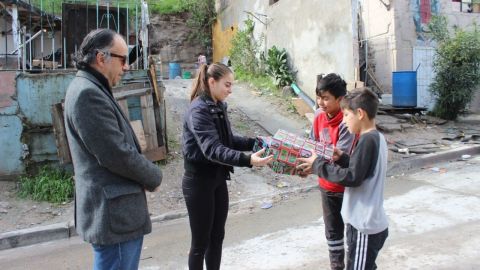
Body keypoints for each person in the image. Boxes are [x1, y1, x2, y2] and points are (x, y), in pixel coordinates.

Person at [64, 28, 162, 270]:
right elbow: (116, 154)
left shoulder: (90, 87)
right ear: (101, 58)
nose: (126, 67)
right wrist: (154, 176)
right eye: (123, 59)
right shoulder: (87, 93)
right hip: (113, 217)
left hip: (115, 214)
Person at [182, 63, 273, 270]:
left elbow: (227, 139)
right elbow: (212, 149)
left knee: (217, 236)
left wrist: (255, 142)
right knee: (200, 243)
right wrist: (248, 159)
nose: (230, 90)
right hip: (198, 182)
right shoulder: (199, 110)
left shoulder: (218, 105)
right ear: (211, 82)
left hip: (217, 178)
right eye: (227, 85)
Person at [297, 88, 389, 270]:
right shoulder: (376, 137)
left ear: (360, 114)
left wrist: (318, 165)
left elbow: (353, 177)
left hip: (364, 225)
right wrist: (343, 158)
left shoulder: (366, 140)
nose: (344, 120)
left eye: (346, 115)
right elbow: (362, 169)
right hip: (368, 223)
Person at [304, 73, 356, 270]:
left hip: (346, 187)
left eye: (326, 98)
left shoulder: (347, 121)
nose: (321, 103)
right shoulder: (318, 116)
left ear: (340, 99)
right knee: (332, 232)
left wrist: (315, 162)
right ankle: (336, 266)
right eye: (319, 97)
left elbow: (341, 157)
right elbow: (312, 144)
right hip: (326, 185)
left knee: (352, 232)